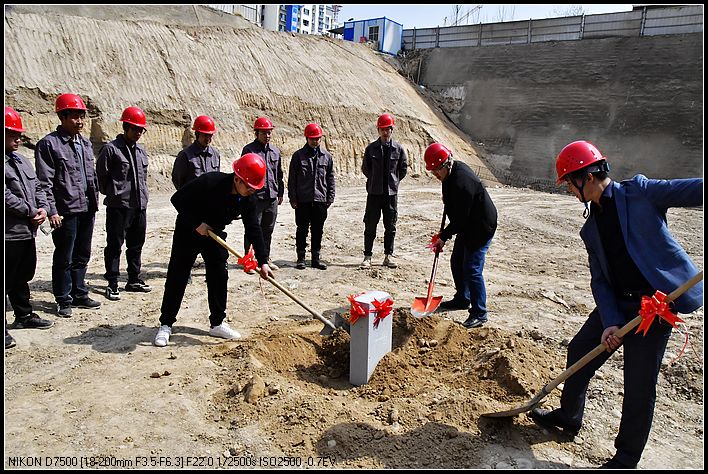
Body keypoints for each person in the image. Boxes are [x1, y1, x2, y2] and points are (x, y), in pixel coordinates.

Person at [529, 140, 703, 469]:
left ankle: (625, 458)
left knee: (639, 384)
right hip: (619, 305)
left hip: (655, 307)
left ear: (587, 177)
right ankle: (569, 416)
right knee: (580, 350)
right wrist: (609, 321)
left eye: (569, 183)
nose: (569, 190)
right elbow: (600, 281)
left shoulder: (641, 193)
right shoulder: (590, 228)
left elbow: (696, 190)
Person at [153, 153, 273, 347]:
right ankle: (166, 324)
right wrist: (197, 223)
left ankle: (217, 323)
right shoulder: (211, 181)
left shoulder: (248, 198)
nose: (252, 191)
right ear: (237, 179)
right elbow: (177, 200)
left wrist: (263, 261)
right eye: (249, 187)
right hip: (188, 231)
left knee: (219, 275)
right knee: (178, 276)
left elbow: (253, 228)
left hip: (214, 234)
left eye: (254, 188)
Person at [35, 93, 101, 317]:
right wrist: (52, 211)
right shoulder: (49, 145)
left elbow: (91, 177)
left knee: (82, 253)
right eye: (74, 116)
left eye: (82, 116)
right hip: (65, 210)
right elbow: (44, 182)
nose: (79, 121)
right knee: (65, 256)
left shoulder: (84, 143)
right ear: (62, 117)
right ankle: (63, 299)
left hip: (87, 207)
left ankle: (79, 293)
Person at [425, 143, 497, 329]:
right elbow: (457, 213)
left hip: (481, 227)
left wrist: (443, 236)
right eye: (432, 171)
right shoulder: (450, 174)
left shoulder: (461, 182)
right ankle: (462, 298)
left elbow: (461, 220)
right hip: (467, 225)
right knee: (457, 261)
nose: (435, 174)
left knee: (472, 269)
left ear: (446, 163)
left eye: (437, 170)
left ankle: (479, 313)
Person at [5, 106, 55, 348]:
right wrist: (30, 211)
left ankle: (23, 315)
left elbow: (37, 188)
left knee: (22, 276)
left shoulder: (21, 160)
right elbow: (5, 197)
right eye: (12, 134)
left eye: (19, 134)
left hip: (25, 232)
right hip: (8, 233)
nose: (18, 139)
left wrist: (43, 208)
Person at [96, 106, 151, 301]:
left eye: (141, 130)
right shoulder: (111, 149)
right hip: (119, 206)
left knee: (136, 244)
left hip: (139, 205)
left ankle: (134, 279)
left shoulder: (141, 151)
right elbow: (101, 177)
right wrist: (115, 193)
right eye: (135, 129)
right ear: (125, 127)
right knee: (115, 245)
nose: (138, 133)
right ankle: (112, 282)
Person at [361, 113, 408, 268]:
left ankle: (388, 256)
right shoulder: (371, 149)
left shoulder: (398, 149)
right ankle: (367, 256)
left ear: (392, 130)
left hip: (390, 194)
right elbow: (366, 168)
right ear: (378, 130)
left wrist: (393, 182)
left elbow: (402, 169)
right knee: (370, 225)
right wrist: (375, 180)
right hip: (374, 193)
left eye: (388, 129)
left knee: (390, 226)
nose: (385, 132)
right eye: (382, 129)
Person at [287, 123, 336, 270]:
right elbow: (292, 179)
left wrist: (330, 197)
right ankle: (301, 258)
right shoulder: (298, 156)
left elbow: (330, 178)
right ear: (307, 138)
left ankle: (316, 258)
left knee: (317, 230)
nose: (315, 141)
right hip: (303, 200)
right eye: (312, 138)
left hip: (320, 200)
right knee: (302, 229)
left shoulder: (327, 157)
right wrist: (293, 198)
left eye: (317, 138)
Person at [241, 117, 284, 271]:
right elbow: (242, 175)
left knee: (268, 230)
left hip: (271, 197)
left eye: (269, 132)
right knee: (252, 229)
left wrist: (280, 192)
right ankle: (249, 261)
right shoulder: (249, 151)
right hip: (255, 197)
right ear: (256, 133)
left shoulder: (275, 151)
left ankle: (264, 259)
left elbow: (279, 174)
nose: (267, 135)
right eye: (264, 133)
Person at [171, 115, 221, 190]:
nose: (208, 138)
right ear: (197, 134)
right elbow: (178, 181)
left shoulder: (215, 154)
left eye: (210, 135)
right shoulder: (185, 155)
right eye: (205, 135)